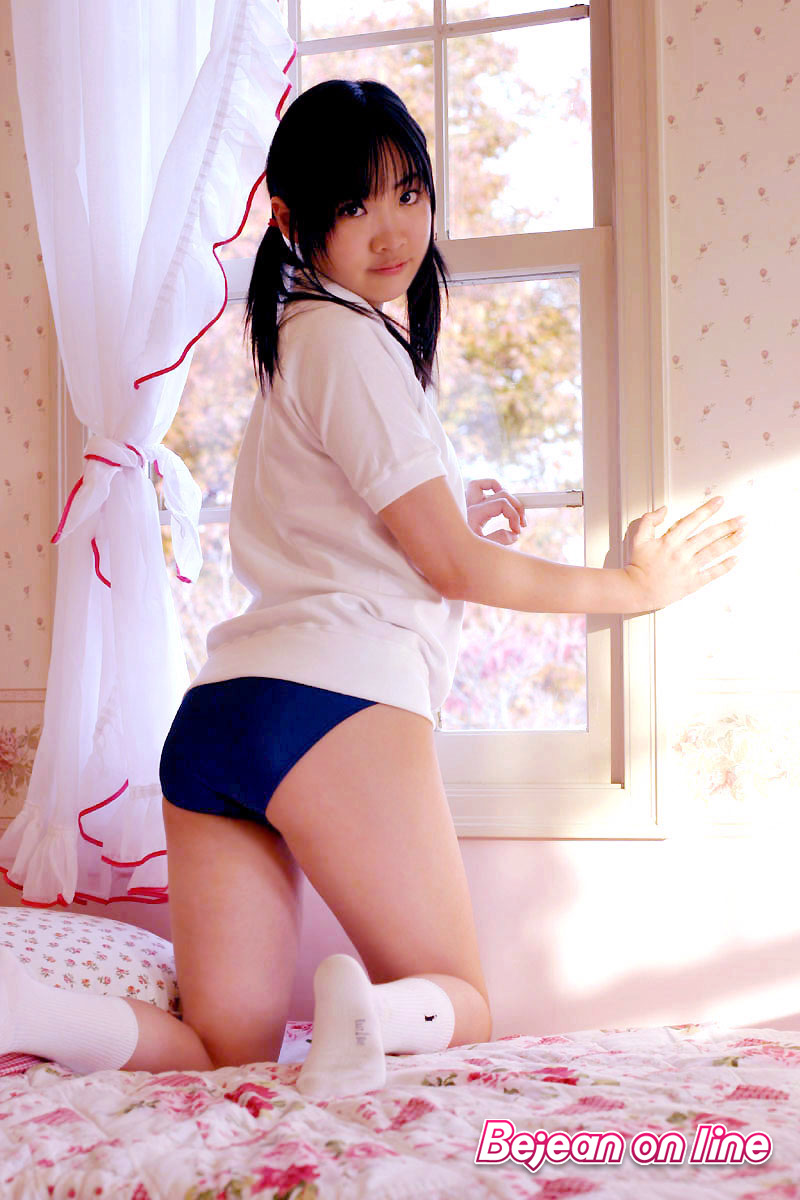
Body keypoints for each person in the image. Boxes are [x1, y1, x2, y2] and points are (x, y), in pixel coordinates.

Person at [0, 80, 747, 1095]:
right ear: (288, 219)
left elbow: (338, 530)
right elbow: (451, 568)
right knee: (462, 998)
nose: (392, 229)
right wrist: (631, 585)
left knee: (224, 1054)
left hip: (221, 717)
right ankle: (376, 1013)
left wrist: (448, 509)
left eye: (407, 193)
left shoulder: (298, 338)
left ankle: (35, 1012)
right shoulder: (348, 339)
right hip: (332, 701)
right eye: (353, 205)